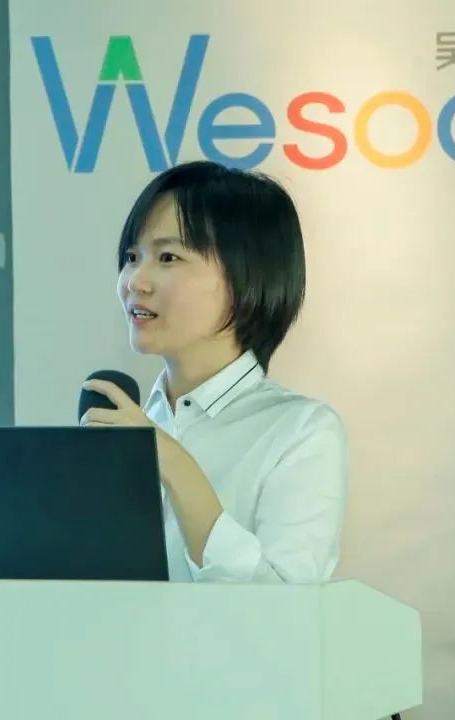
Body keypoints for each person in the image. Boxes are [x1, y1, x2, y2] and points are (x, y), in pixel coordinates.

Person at [79, 160, 347, 583]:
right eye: (132, 257)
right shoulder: (131, 421)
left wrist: (173, 462)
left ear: (246, 277)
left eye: (168, 257)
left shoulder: (301, 431)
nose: (135, 281)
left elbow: (287, 605)